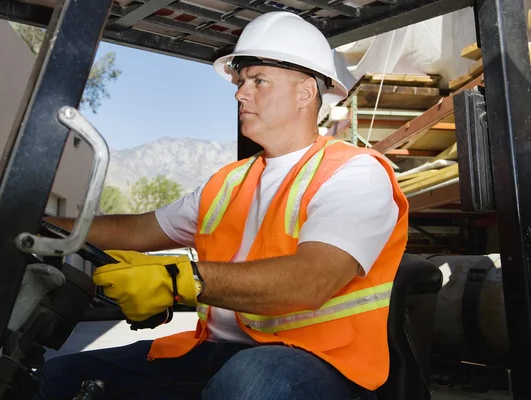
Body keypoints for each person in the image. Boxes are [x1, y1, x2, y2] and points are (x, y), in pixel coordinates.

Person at [34, 11, 408, 400]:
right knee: (59, 377)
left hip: (322, 366)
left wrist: (180, 280)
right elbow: (137, 231)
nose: (240, 93)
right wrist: (32, 222)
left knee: (255, 382)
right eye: (241, 81)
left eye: (258, 81)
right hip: (217, 354)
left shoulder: (354, 173)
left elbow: (312, 280)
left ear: (305, 92)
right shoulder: (229, 183)